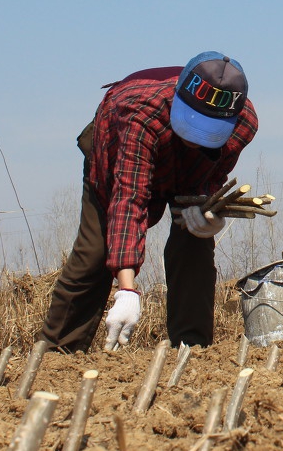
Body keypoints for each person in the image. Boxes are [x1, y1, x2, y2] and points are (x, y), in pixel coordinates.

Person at [39, 51, 258, 352]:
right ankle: (55, 354)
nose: (195, 136)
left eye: (206, 128)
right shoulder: (139, 113)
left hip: (185, 170)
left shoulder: (243, 123)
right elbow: (129, 199)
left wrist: (209, 211)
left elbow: (212, 175)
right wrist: (127, 291)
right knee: (95, 253)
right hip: (119, 153)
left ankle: (193, 349)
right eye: (191, 121)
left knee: (194, 244)